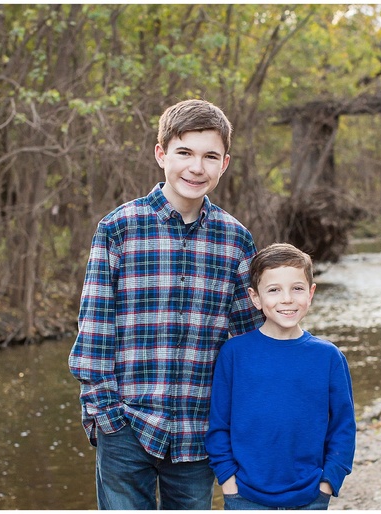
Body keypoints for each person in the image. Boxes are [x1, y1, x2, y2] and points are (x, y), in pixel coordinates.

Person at [68, 99, 265, 510]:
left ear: (224, 164)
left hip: (199, 432)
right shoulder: (118, 229)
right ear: (161, 154)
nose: (196, 167)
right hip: (126, 424)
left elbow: (249, 342)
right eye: (185, 153)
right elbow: (95, 333)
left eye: (210, 156)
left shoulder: (236, 240)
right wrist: (106, 416)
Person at [205, 243, 357, 510]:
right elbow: (219, 426)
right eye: (274, 290)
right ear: (255, 297)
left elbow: (343, 429)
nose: (287, 299)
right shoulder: (234, 354)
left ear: (310, 293)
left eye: (297, 288)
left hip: (310, 496)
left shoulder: (328, 358)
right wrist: (228, 481)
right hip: (244, 496)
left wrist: (328, 483)